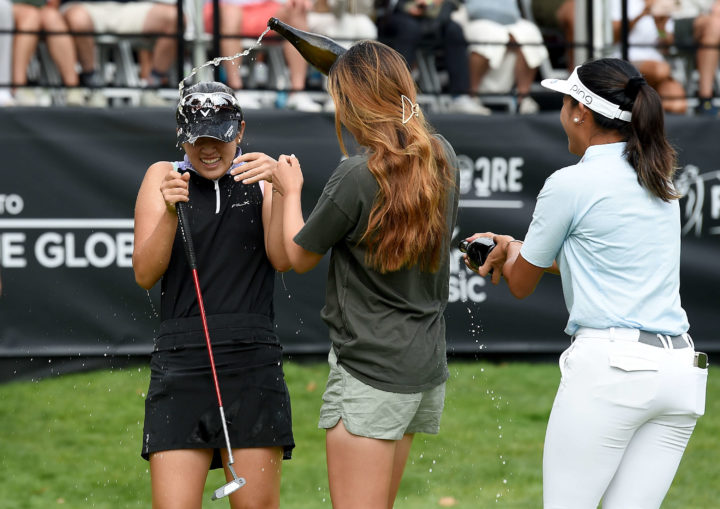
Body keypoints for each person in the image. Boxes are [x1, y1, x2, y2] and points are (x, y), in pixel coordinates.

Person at [465, 58, 707, 508]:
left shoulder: (569, 183)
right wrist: (516, 247)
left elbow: (520, 284)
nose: (561, 112)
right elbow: (597, 260)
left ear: (580, 110)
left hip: (612, 369)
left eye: (564, 100)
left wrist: (510, 252)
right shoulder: (657, 178)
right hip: (679, 373)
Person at [266, 40, 460, 508]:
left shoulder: (357, 174)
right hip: (423, 368)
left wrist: (288, 190)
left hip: (370, 372)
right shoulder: (443, 155)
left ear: (351, 103)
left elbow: (299, 256)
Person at [132, 81, 294, 508]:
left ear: (239, 132)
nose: (208, 150)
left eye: (219, 139)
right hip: (182, 360)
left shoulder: (260, 179)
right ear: (181, 136)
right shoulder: (162, 176)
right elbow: (145, 273)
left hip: (251, 359)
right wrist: (169, 211)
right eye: (197, 139)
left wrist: (280, 188)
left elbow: (282, 258)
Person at [204, 0, 323, 111]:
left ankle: (297, 92)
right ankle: (235, 90)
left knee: (296, 10)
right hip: (222, 9)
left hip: (264, 9)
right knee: (231, 14)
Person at [377, 0, 491, 114]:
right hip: (400, 14)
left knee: (454, 30)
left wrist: (435, 4)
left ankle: (460, 96)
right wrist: (409, 6)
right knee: (410, 29)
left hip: (434, 16)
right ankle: (394, 95)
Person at [62, 0, 178, 104]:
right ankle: (92, 85)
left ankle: (152, 87)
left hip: (129, 7)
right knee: (77, 18)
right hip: (84, 6)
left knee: (176, 18)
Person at [452, 0, 550, 114]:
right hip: (472, 17)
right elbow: (474, 10)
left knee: (530, 33)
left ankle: (522, 97)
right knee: (489, 35)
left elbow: (513, 11)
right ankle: (472, 95)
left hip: (509, 20)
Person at [611, 0, 687, 114]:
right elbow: (614, 36)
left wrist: (660, 27)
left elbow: (666, 47)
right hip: (627, 59)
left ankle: (649, 110)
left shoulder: (662, 3)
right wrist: (641, 15)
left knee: (678, 105)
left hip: (657, 62)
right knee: (660, 70)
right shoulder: (620, 3)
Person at [10, 0, 88, 106]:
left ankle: (72, 88)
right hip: (11, 7)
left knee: (52, 17)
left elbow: (53, 3)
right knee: (31, 17)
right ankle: (19, 88)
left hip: (42, 10)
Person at [673, 0, 720, 115]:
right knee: (714, 26)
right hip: (674, 21)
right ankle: (705, 99)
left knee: (715, 24)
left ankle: (705, 101)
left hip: (709, 20)